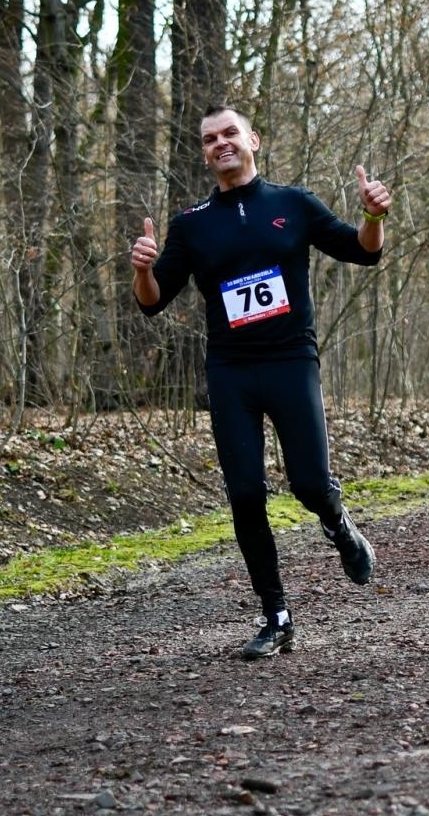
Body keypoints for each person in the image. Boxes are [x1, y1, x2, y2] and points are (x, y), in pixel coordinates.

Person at [130, 104, 389, 659]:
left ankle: (339, 524)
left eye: (229, 133)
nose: (219, 144)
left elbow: (362, 252)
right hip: (231, 370)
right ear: (203, 153)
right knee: (245, 495)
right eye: (208, 139)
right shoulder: (192, 223)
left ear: (254, 139)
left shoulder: (292, 204)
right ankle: (277, 616)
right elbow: (153, 304)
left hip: (291, 360)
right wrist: (143, 270)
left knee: (310, 485)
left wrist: (372, 217)